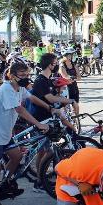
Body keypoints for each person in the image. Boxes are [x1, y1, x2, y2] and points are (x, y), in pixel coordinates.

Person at [0, 61, 53, 205]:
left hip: (5, 135)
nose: (26, 77)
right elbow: (19, 110)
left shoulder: (19, 88)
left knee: (17, 156)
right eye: (22, 75)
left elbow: (31, 97)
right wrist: (38, 124)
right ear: (12, 76)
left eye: (27, 74)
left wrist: (49, 108)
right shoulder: (7, 89)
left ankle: (4, 183)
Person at [30, 53, 76, 193]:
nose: (56, 65)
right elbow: (49, 98)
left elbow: (54, 96)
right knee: (44, 151)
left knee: (44, 151)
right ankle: (39, 181)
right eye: (55, 63)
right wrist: (69, 101)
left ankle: (40, 179)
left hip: (47, 118)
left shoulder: (47, 79)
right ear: (50, 64)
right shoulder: (41, 80)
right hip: (40, 119)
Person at [59, 47, 81, 116]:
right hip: (65, 88)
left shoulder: (74, 65)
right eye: (69, 55)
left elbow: (79, 77)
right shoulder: (62, 66)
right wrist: (72, 78)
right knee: (65, 106)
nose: (70, 57)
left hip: (74, 86)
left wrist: (72, 78)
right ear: (64, 56)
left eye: (71, 55)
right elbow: (65, 77)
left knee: (76, 105)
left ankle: (77, 119)